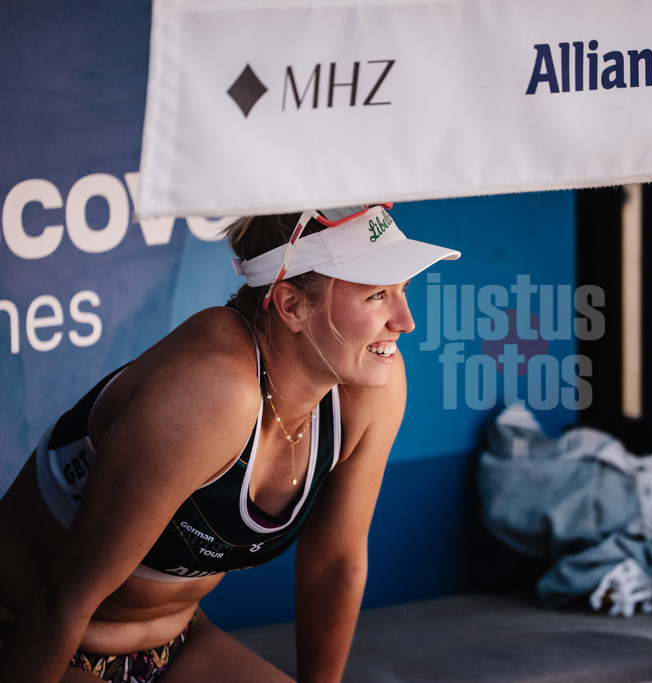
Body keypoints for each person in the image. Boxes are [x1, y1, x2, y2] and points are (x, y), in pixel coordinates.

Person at [0, 204, 460, 682]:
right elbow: (60, 598)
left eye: (403, 289)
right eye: (377, 295)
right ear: (290, 305)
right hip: (23, 631)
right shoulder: (213, 390)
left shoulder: (369, 386)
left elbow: (334, 565)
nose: (405, 321)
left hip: (176, 642)